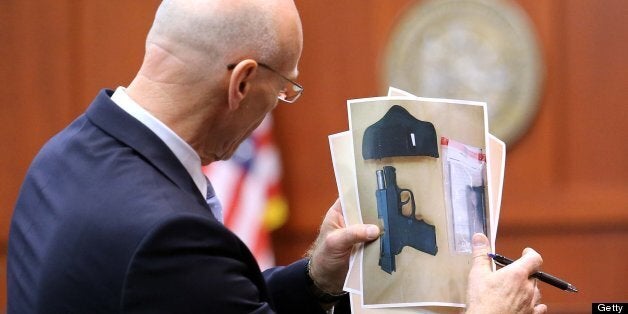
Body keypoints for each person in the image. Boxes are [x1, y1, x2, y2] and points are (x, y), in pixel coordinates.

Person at [6, 0, 547, 313]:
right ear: (243, 81)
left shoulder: (61, 157)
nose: (279, 103)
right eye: (285, 88)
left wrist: (316, 276)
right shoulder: (166, 236)